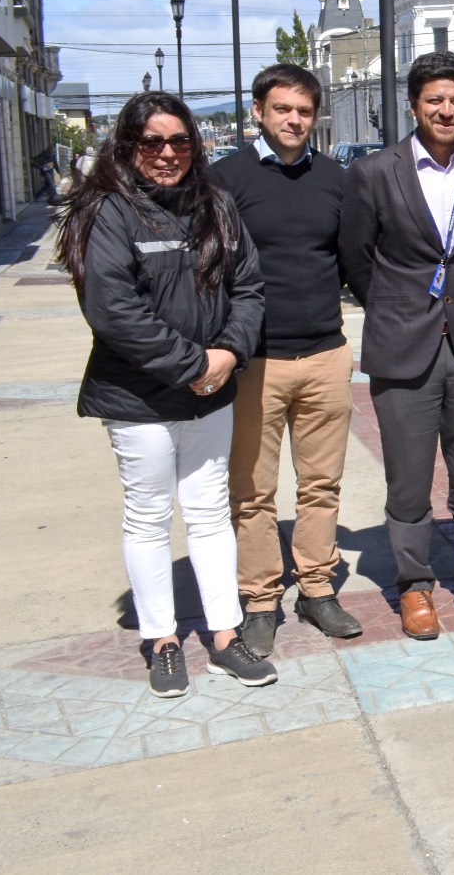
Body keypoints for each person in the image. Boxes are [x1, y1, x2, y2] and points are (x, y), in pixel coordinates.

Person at [54, 91, 274, 698]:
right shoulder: (108, 210)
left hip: (209, 391)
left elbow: (249, 287)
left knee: (208, 514)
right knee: (149, 517)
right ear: (128, 148)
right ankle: (163, 639)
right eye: (153, 142)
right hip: (138, 398)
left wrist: (228, 354)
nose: (168, 153)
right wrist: (193, 365)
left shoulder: (218, 207)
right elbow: (112, 308)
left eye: (180, 141)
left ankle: (226, 636)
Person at [339, 52, 454, 640]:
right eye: (435, 99)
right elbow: (357, 260)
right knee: (408, 479)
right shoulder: (373, 172)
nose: (446, 110)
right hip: (402, 343)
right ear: (413, 105)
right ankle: (414, 587)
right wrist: (397, 306)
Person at [215, 65, 361, 656]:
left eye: (304, 110)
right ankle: (259, 601)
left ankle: (317, 589)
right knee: (252, 492)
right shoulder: (224, 179)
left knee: (321, 484)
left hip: (325, 352)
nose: (294, 120)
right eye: (282, 109)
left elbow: (353, 261)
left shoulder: (336, 179)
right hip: (256, 362)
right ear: (258, 111)